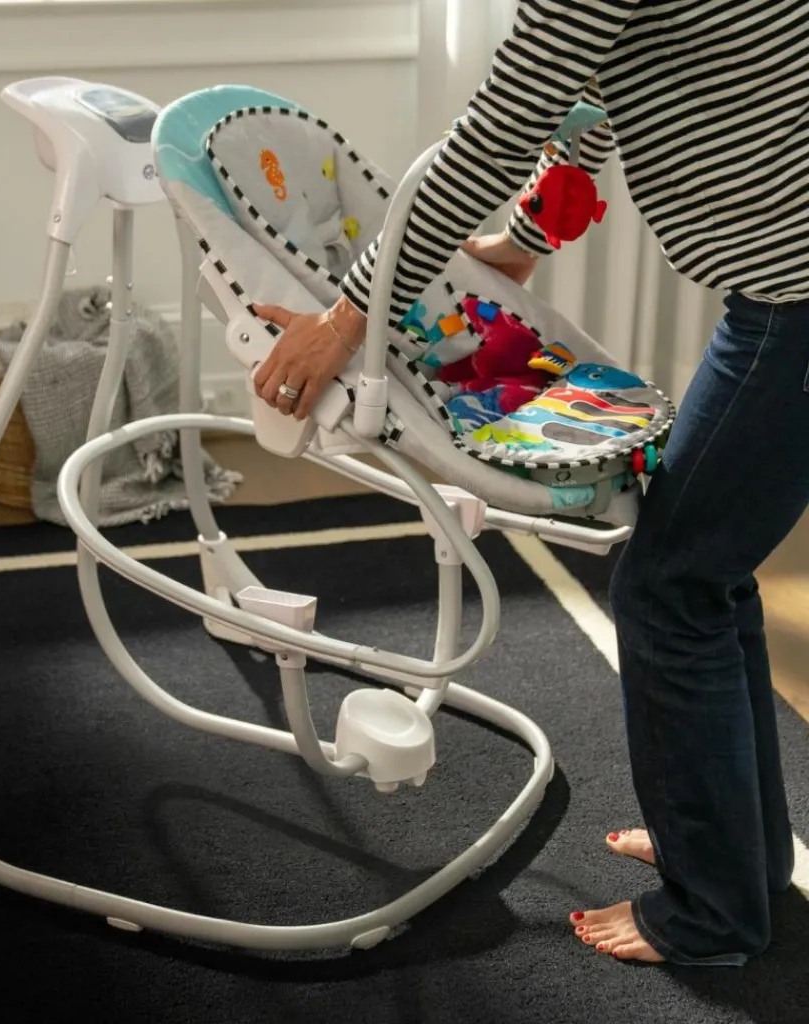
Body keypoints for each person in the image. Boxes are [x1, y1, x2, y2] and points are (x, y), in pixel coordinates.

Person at [251, 0, 809, 967]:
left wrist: (349, 317)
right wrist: (521, 240)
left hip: (792, 308)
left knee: (670, 587)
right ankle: (733, 855)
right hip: (782, 301)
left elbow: (497, 130)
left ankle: (713, 915)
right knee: (703, 576)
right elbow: (588, 89)